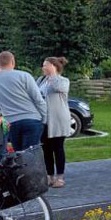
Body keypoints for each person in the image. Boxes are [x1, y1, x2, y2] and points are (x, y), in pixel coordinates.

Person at [0, 52, 47, 152]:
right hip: (32, 118)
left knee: (18, 154)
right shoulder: (25, 76)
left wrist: (3, 104)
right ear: (13, 62)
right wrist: (44, 118)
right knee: (31, 154)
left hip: (10, 121)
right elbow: (38, 99)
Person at [37, 57, 70, 188]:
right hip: (44, 120)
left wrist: (53, 74)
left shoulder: (63, 81)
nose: (43, 68)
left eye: (46, 65)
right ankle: (49, 176)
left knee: (58, 148)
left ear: (53, 66)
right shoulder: (41, 80)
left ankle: (60, 177)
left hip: (58, 119)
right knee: (46, 149)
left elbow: (58, 87)